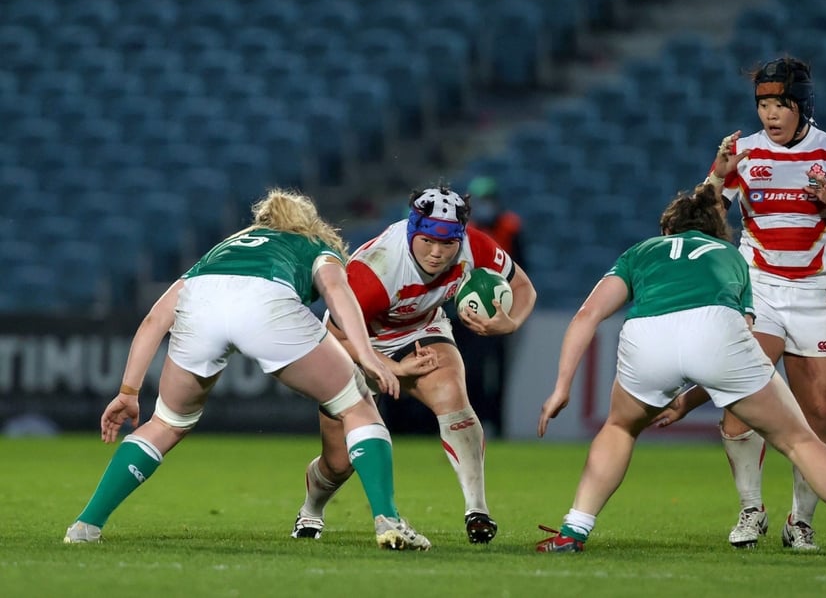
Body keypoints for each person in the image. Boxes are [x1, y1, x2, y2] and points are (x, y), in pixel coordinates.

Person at [534, 185, 826, 558]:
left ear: (668, 228)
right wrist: (692, 398)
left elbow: (588, 315)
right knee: (799, 440)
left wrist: (561, 386)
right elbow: (733, 346)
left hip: (647, 335)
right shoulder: (734, 258)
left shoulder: (641, 250)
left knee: (619, 428)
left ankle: (573, 530)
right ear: (716, 230)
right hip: (715, 328)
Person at [63, 188, 430, 551]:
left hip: (202, 305)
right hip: (266, 305)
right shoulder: (313, 245)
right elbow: (336, 290)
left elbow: (154, 320)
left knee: (166, 423)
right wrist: (366, 354)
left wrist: (128, 392)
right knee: (355, 405)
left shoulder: (222, 250)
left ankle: (86, 524)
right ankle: (388, 520)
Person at [681, 57, 826, 550]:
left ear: (803, 106)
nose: (770, 115)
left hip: (819, 292)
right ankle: (751, 510)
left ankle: (801, 522)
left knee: (818, 414)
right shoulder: (743, 152)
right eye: (763, 105)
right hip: (761, 288)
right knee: (740, 400)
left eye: (780, 105)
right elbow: (702, 219)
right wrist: (717, 176)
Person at [290, 185, 537, 544]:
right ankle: (312, 509)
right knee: (338, 462)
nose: (437, 253)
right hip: (359, 342)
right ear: (411, 229)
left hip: (421, 328)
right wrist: (391, 366)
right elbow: (335, 339)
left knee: (453, 394)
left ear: (460, 237)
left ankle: (478, 511)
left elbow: (525, 287)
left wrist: (511, 322)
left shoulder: (474, 245)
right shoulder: (374, 272)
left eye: (447, 243)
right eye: (427, 241)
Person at [451, 175, 527, 437]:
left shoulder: (510, 227)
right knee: (470, 370)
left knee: (500, 371)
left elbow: (521, 267)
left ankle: (498, 425)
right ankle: (474, 422)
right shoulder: (464, 231)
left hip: (501, 308)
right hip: (470, 310)